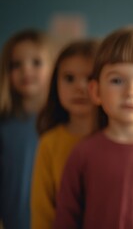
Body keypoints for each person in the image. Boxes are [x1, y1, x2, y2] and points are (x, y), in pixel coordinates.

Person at [54, 27, 133, 228]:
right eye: (117, 80)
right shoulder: (82, 154)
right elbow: (65, 219)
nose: (132, 92)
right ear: (96, 91)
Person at [30, 40, 100, 229]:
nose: (80, 87)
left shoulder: (117, 141)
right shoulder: (49, 143)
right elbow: (42, 211)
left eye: (90, 77)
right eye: (69, 78)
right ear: (55, 84)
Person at [0, 29, 54, 229]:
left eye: (36, 62)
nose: (26, 70)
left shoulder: (62, 124)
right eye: (16, 65)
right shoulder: (4, 126)